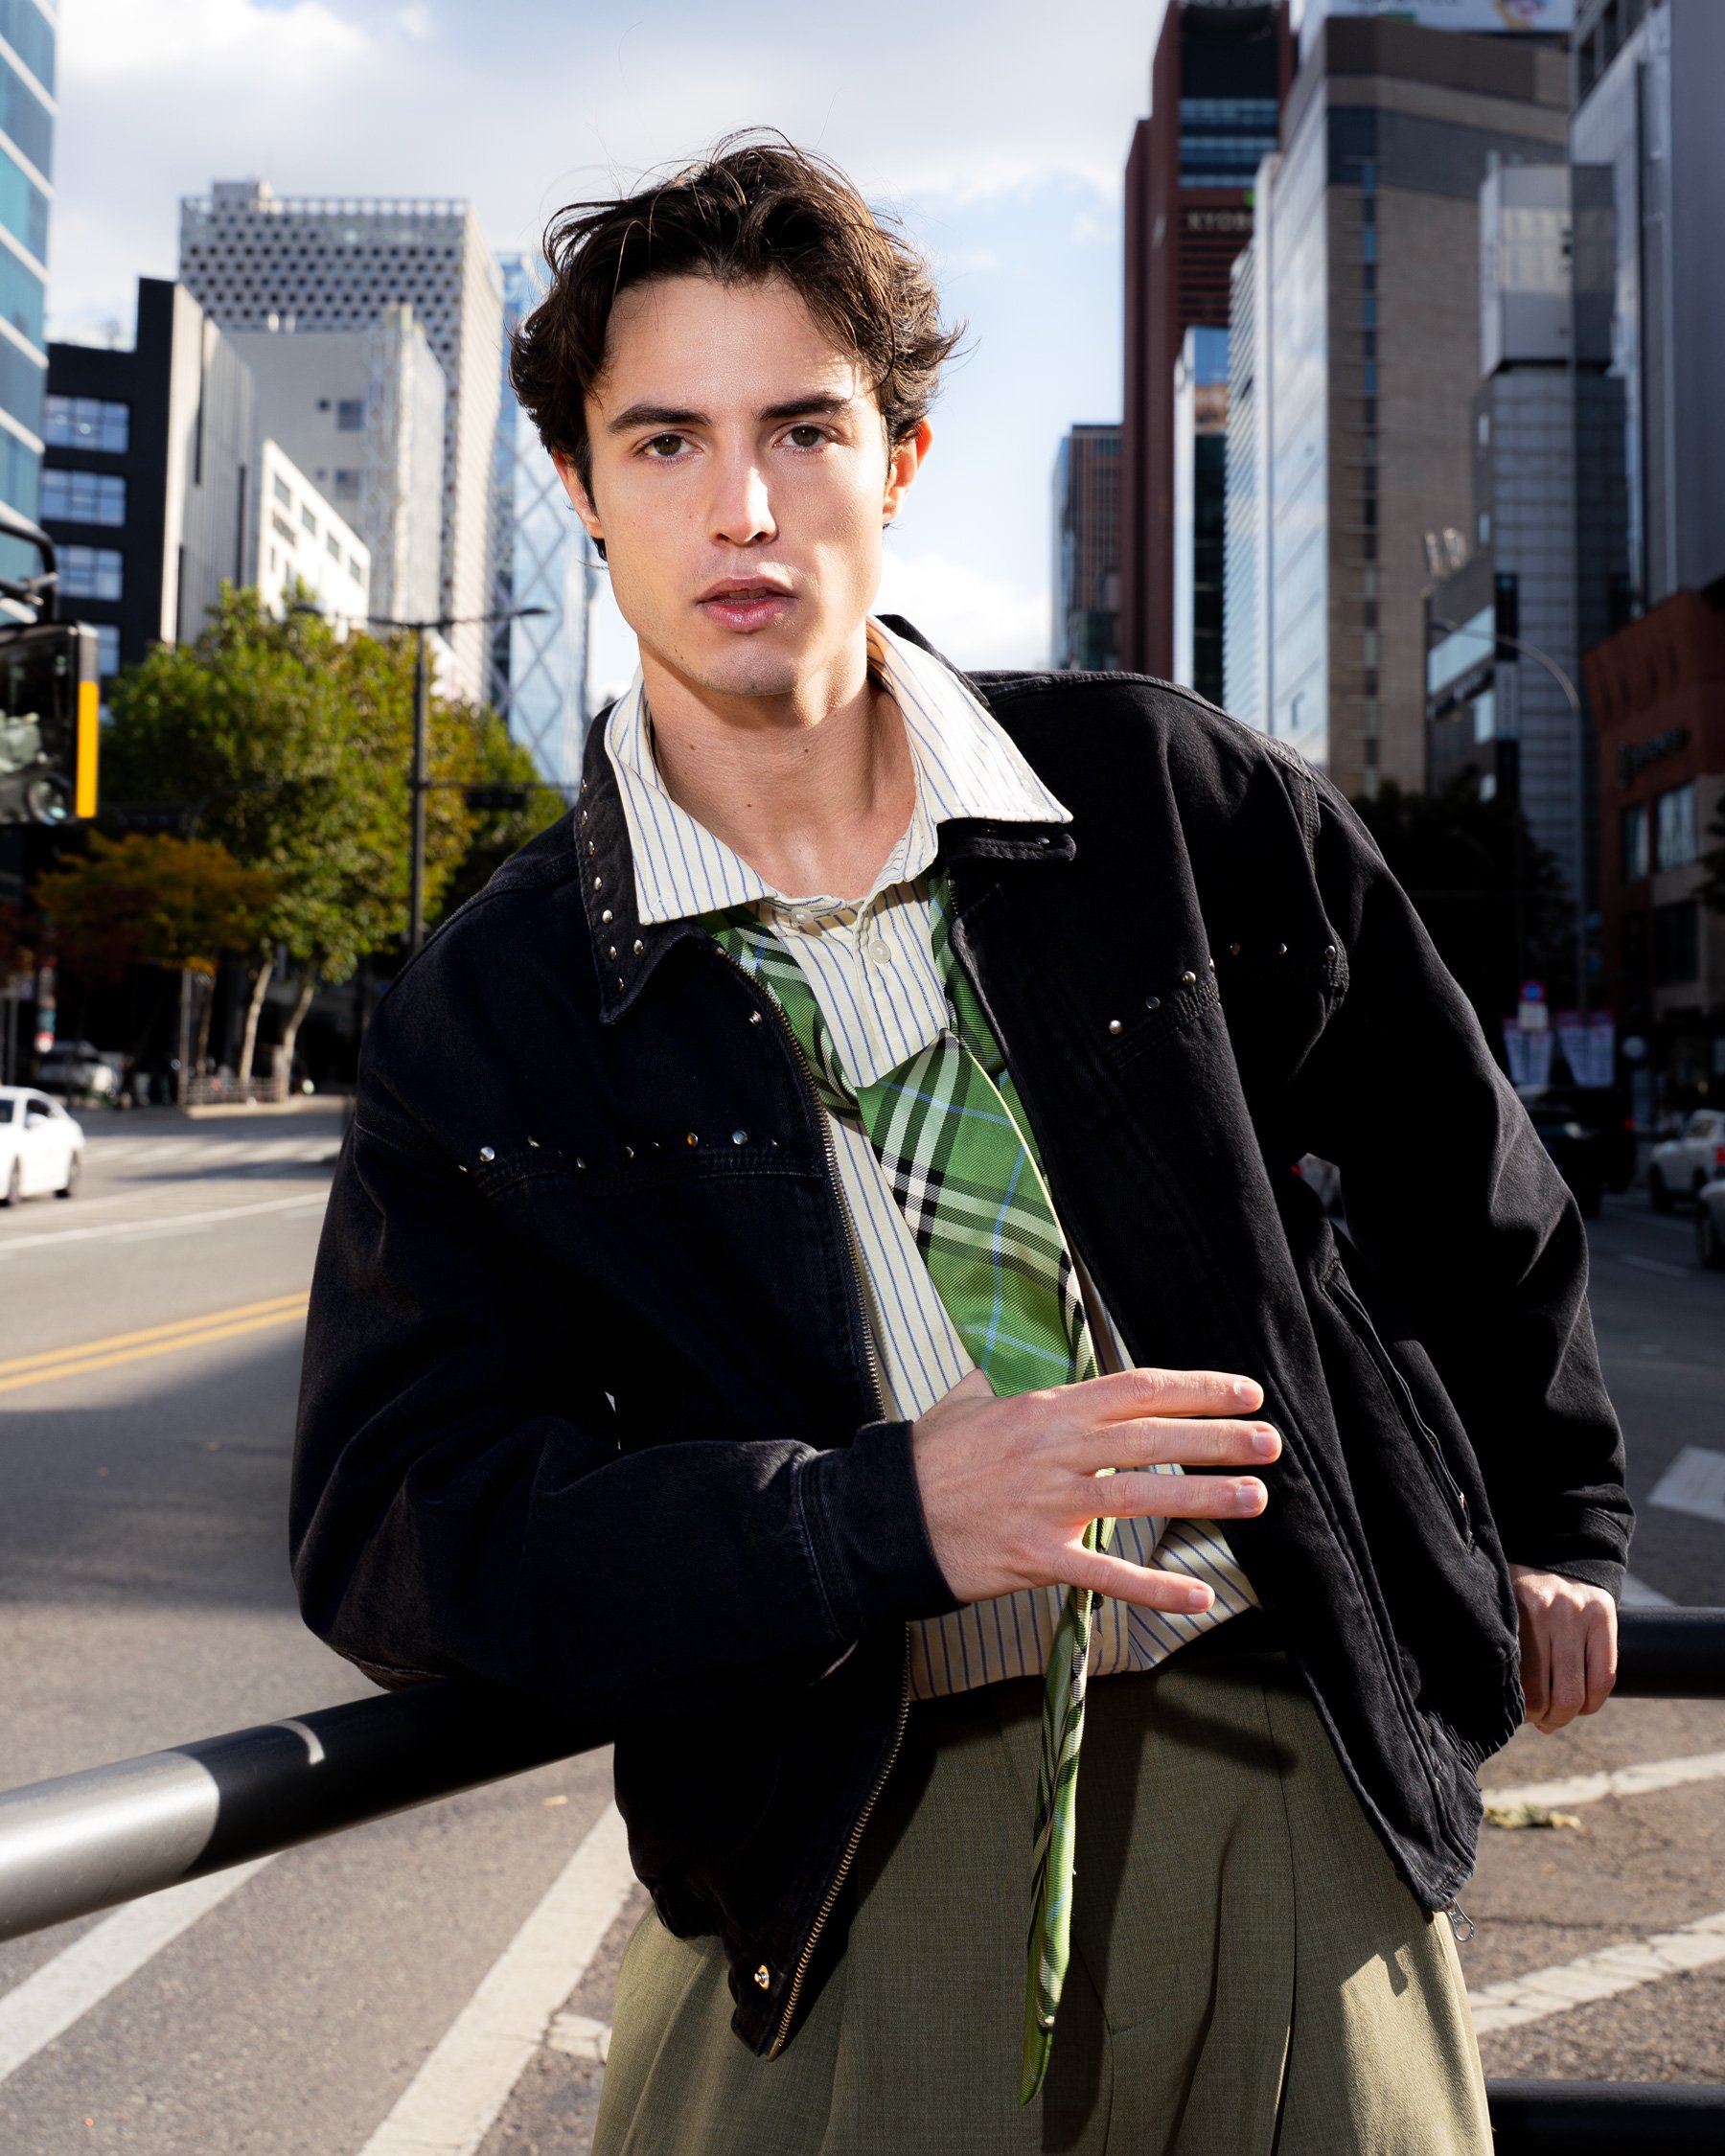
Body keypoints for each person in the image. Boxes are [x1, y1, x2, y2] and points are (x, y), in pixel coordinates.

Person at [290, 137, 1630, 2155]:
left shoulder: (1167, 794)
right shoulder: (498, 1008)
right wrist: (869, 1516)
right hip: (843, 1843)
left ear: (898, 459)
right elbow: (398, 1524)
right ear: (576, 486)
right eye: (663, 441)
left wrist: (1554, 1523)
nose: (740, 509)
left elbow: (1469, 1177)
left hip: (1295, 1791)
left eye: (802, 429)